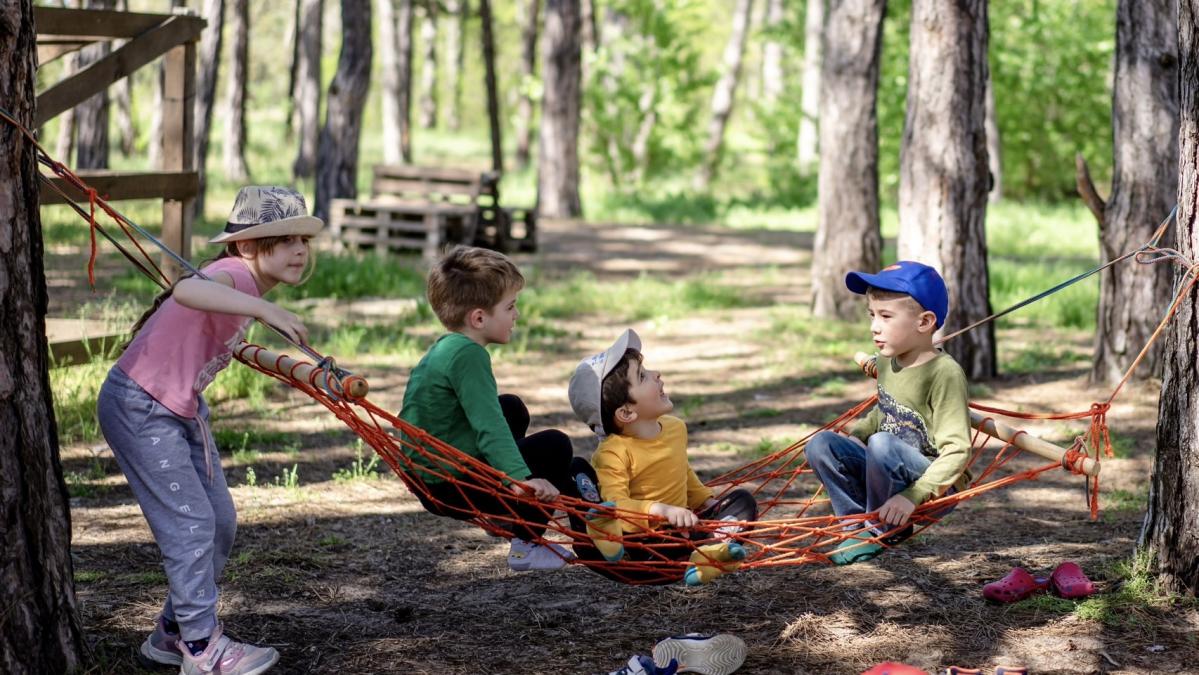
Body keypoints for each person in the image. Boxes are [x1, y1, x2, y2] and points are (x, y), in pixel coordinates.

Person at [98, 186, 322, 675]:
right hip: (142, 406)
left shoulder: (245, 283)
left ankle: (170, 635)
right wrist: (266, 312)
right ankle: (202, 649)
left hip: (179, 409)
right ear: (247, 246)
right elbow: (186, 289)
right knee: (192, 524)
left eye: (303, 239)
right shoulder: (233, 274)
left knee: (218, 521)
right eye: (285, 240)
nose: (301, 250)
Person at [398, 246, 577, 572]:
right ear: (479, 317)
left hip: (427, 473)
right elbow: (489, 425)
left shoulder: (447, 347)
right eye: (510, 307)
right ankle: (527, 543)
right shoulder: (470, 356)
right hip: (450, 485)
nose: (516, 315)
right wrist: (521, 481)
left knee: (512, 407)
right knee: (555, 445)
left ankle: (505, 509)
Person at [804, 261, 972, 565]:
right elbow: (886, 411)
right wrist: (856, 437)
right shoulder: (887, 361)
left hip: (933, 488)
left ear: (924, 322)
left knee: (881, 443)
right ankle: (855, 527)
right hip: (887, 468)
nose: (874, 327)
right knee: (821, 444)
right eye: (872, 315)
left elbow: (957, 451)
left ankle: (882, 530)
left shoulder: (945, 374)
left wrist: (913, 496)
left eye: (885, 316)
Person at [567, 329, 758, 585]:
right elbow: (617, 506)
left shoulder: (674, 428)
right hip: (643, 548)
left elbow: (681, 471)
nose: (656, 375)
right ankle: (702, 554)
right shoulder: (613, 452)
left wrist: (705, 502)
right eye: (642, 376)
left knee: (742, 501)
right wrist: (661, 511)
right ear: (626, 413)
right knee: (576, 470)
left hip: (684, 534)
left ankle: (709, 553)